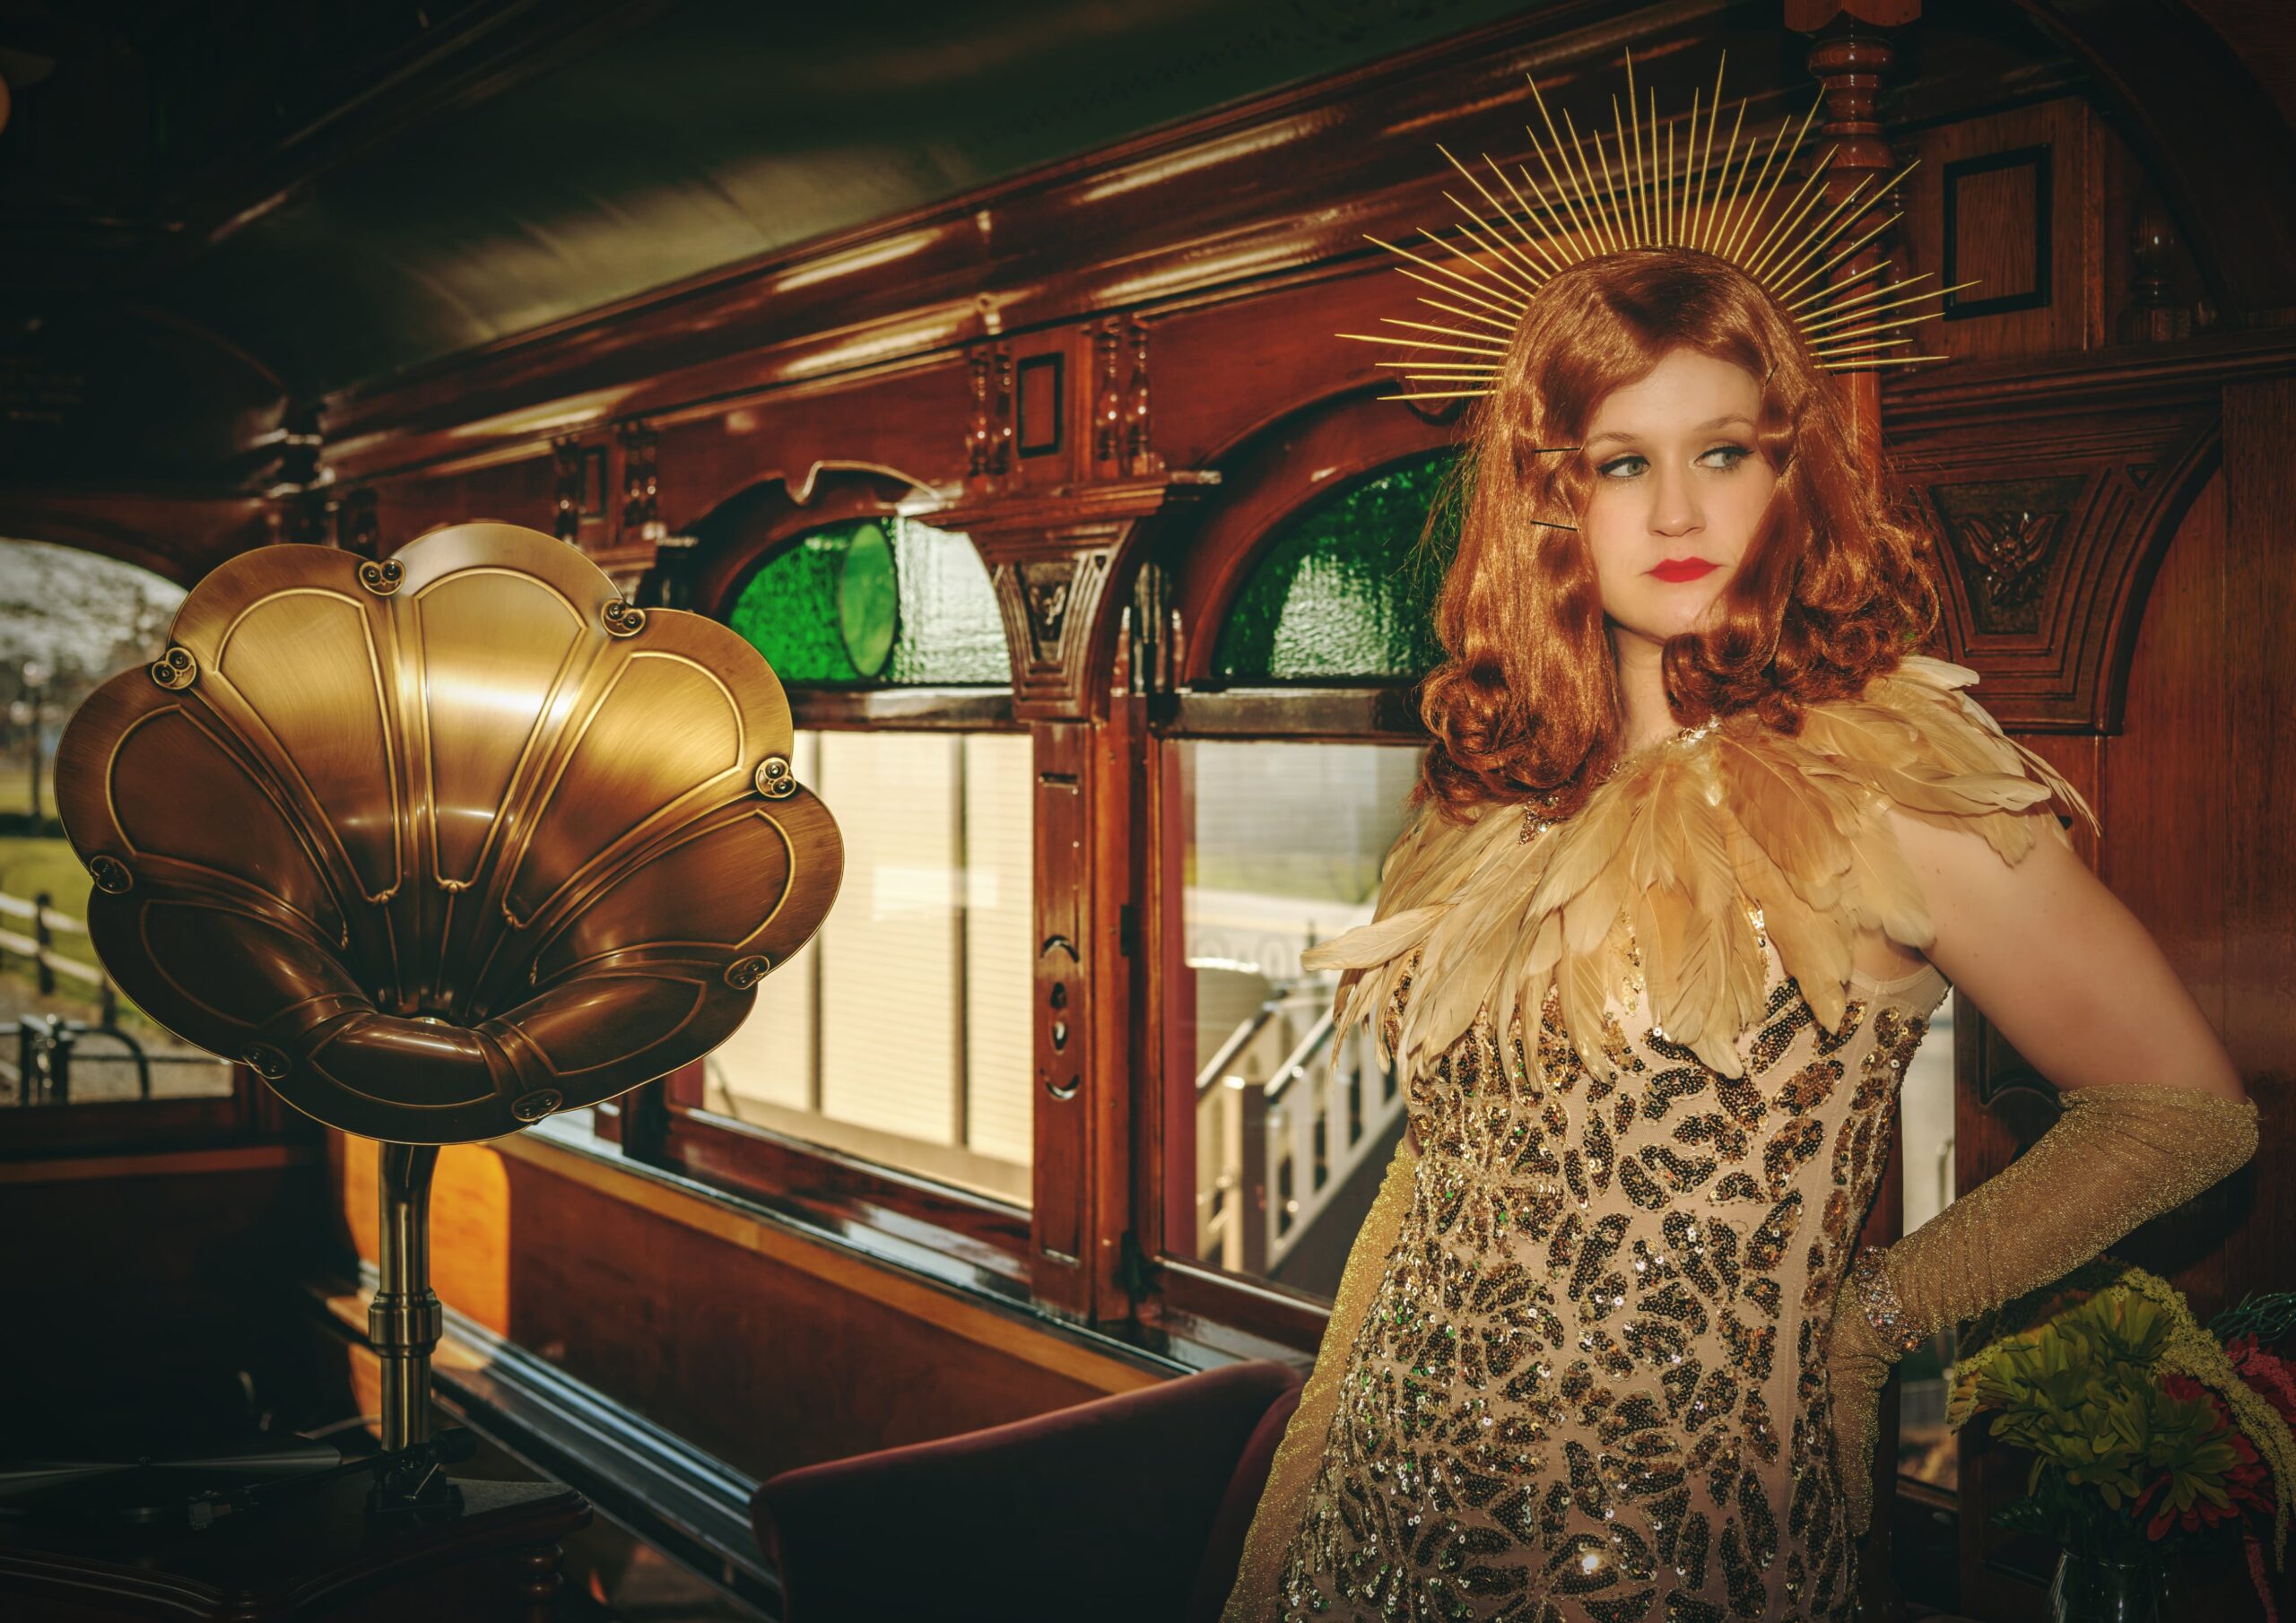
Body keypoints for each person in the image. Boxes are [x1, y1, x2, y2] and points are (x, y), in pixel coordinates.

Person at [1215, 244, 2258, 1621]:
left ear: (1788, 474)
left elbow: (2183, 1112)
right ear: (1553, 499)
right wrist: (1280, 1542)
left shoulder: (1890, 789)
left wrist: (1874, 1318)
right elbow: (1428, 1193)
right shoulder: (1494, 804)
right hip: (1380, 1531)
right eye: (1622, 463)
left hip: (1680, 1550)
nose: (1679, 508)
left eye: (1723, 451)